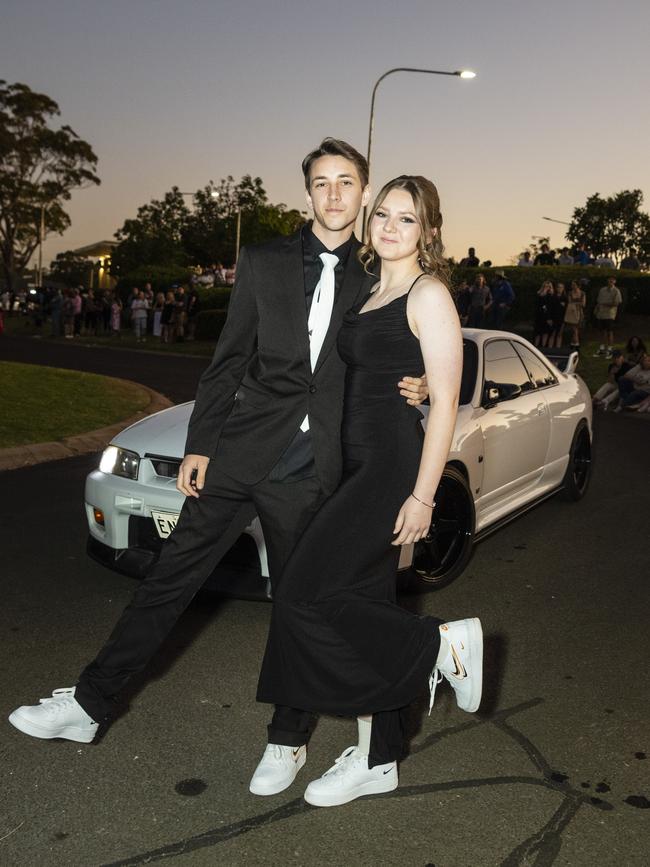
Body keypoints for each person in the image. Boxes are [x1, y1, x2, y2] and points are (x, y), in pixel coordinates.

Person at [8, 139, 427, 790]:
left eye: (347, 182)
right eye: (322, 182)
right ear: (307, 192)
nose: (335, 194)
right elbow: (228, 359)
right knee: (169, 578)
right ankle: (90, 704)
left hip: (314, 469)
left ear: (365, 192)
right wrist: (201, 443)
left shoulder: (381, 281)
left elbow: (405, 353)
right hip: (241, 450)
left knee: (296, 605)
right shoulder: (261, 261)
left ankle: (288, 739)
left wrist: (421, 381)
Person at [255, 175, 482, 808]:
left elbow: (445, 405)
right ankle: (381, 757)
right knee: (360, 601)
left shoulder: (428, 292)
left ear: (428, 232)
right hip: (347, 462)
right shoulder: (370, 287)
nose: (388, 227)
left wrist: (423, 495)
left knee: (301, 589)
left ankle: (440, 644)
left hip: (388, 466)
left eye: (406, 220)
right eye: (382, 214)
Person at [593, 276, 622, 357]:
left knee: (609, 331)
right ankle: (602, 348)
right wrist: (596, 309)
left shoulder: (616, 291)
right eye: (609, 280)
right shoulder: (602, 290)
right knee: (602, 331)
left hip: (610, 314)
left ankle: (609, 349)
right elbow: (599, 301)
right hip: (601, 314)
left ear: (615, 281)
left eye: (612, 280)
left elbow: (616, 303)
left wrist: (605, 304)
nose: (610, 282)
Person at [563, 279, 586, 351]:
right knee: (574, 329)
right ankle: (576, 345)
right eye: (572, 285)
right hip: (571, 312)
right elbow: (570, 302)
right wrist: (577, 303)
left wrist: (576, 304)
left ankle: (574, 344)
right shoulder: (570, 293)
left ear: (578, 285)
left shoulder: (582, 293)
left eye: (574, 285)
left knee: (576, 329)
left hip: (579, 312)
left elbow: (583, 304)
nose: (572, 286)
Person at [532, 281, 554, 347]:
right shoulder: (539, 295)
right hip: (540, 316)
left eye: (549, 287)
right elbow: (539, 305)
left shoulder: (551, 295)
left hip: (547, 316)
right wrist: (543, 293)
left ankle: (543, 347)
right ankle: (536, 346)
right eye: (546, 286)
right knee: (538, 333)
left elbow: (550, 307)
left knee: (546, 333)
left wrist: (549, 318)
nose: (547, 288)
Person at [548, 281, 568, 348]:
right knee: (552, 334)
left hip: (562, 319)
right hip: (553, 318)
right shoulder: (552, 297)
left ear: (563, 288)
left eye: (561, 287)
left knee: (560, 334)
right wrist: (549, 318)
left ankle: (558, 349)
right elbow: (549, 308)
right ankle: (550, 349)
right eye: (558, 287)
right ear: (556, 288)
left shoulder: (565, 298)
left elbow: (566, 309)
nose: (560, 288)